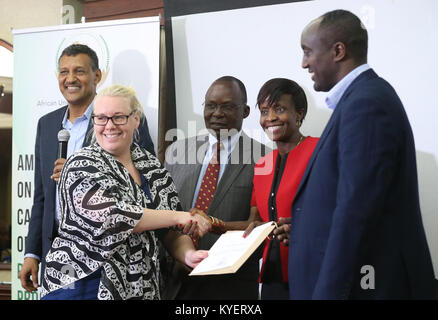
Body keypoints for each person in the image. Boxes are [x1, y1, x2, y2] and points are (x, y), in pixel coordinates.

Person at [288, 9, 435, 299]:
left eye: (307, 51)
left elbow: (356, 211)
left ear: (338, 51)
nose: (303, 63)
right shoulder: (359, 99)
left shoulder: (366, 104)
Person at [40, 85, 209, 300]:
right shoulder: (79, 164)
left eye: (118, 117)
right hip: (82, 284)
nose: (109, 126)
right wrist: (178, 216)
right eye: (101, 118)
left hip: (139, 288)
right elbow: (114, 218)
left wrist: (189, 255)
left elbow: (171, 232)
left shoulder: (152, 166)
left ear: (135, 119)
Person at [19, 44, 155, 293]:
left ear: (97, 76)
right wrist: (32, 253)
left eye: (79, 71)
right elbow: (41, 197)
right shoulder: (47, 124)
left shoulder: (122, 121)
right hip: (58, 257)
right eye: (63, 72)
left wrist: (81, 175)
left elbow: (147, 186)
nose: (70, 79)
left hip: (108, 259)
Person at [164, 76, 269, 299]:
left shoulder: (265, 159)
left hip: (230, 287)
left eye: (227, 106)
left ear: (246, 111)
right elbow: (164, 212)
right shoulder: (177, 152)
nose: (217, 113)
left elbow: (260, 228)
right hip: (175, 281)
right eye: (211, 105)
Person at [242, 78, 318, 299]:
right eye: (264, 111)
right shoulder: (262, 165)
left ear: (299, 114)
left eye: (280, 109)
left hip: (311, 271)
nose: (270, 118)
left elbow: (341, 209)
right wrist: (213, 224)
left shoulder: (320, 151)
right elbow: (254, 221)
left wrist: (305, 228)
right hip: (272, 276)